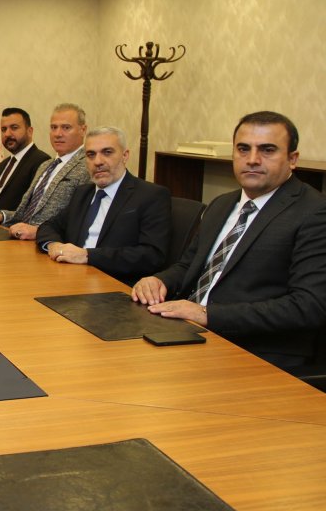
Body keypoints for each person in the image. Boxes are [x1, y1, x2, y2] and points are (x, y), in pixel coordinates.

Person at [131, 111, 326, 369]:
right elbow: (188, 266)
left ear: (292, 159)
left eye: (267, 150)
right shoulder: (222, 204)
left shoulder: (314, 213)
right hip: (186, 331)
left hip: (254, 350)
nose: (252, 160)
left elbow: (308, 306)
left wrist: (207, 314)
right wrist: (159, 280)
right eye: (243, 149)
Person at [36, 126, 171, 285]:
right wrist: (53, 245)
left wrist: (87, 256)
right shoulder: (83, 193)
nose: (98, 162)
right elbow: (49, 225)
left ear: (125, 155)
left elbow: (151, 256)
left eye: (107, 152)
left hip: (114, 284)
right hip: (71, 277)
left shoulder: (150, 195)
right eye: (91, 155)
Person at [0, 103, 90, 239]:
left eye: (66, 127)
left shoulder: (88, 166)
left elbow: (80, 220)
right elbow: (24, 214)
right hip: (18, 236)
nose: (58, 134)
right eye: (54, 127)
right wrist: (1, 216)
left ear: (83, 130)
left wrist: (39, 231)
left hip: (47, 242)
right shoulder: (46, 165)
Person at [0, 107, 51, 212]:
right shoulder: (2, 165)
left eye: (14, 128)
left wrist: (1, 217)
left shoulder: (42, 162)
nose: (7, 134)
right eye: (4, 129)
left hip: (8, 222)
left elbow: (33, 207)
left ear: (29, 131)